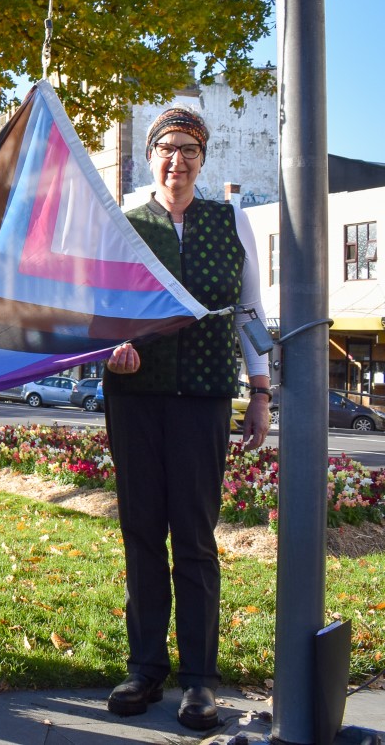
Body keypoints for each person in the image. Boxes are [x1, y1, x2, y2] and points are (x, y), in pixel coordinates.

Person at [102, 107, 271, 730]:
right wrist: (109, 349)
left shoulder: (231, 221)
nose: (178, 161)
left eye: (190, 151)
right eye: (167, 149)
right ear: (151, 157)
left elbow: (249, 309)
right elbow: (100, 302)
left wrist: (260, 388)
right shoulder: (124, 219)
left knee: (195, 541)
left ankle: (200, 679)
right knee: (142, 534)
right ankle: (145, 668)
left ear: (204, 159)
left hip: (203, 396)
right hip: (134, 394)